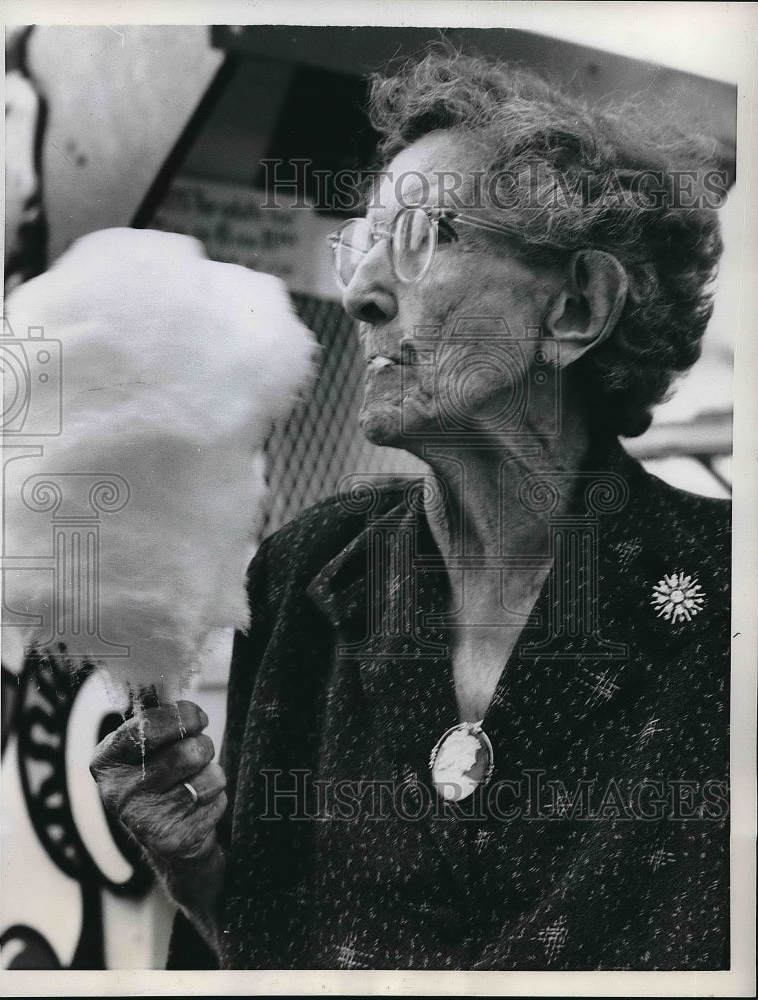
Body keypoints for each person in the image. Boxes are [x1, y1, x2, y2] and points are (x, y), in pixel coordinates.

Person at [90, 48, 730, 970]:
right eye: (362, 243)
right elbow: (277, 952)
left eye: (424, 235)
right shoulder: (306, 575)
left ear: (578, 308)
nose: (359, 291)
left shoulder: (726, 604)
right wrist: (198, 874)